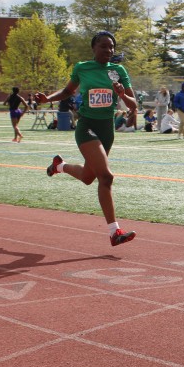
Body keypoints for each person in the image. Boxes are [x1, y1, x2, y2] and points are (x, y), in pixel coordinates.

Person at [36, 31, 140, 247]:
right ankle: (114, 231)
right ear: (94, 48)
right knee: (106, 177)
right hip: (87, 127)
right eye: (103, 46)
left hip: (107, 129)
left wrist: (122, 94)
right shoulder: (82, 68)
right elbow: (67, 91)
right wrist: (48, 99)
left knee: (87, 177)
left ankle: (59, 166)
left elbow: (133, 104)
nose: (108, 50)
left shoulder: (118, 71)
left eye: (111, 47)